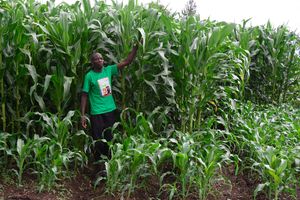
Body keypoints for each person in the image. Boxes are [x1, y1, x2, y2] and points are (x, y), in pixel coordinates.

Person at [81, 43, 139, 160]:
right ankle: (99, 164)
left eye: (101, 58)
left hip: (110, 110)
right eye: (96, 59)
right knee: (98, 140)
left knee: (110, 137)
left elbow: (127, 61)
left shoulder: (108, 70)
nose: (100, 60)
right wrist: (82, 115)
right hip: (97, 113)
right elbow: (84, 95)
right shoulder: (89, 76)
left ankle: (110, 162)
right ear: (92, 63)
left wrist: (135, 48)